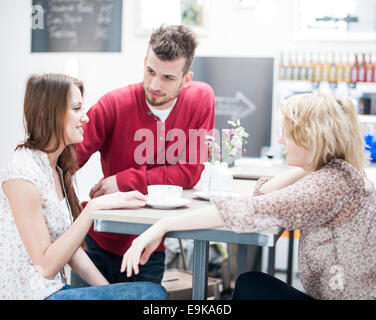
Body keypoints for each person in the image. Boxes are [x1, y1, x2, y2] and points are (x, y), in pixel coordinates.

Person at [120, 93, 376, 300]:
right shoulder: (338, 173)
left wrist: (161, 225)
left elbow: (244, 209)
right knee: (251, 282)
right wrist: (309, 163)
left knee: (250, 286)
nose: (280, 140)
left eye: (287, 133)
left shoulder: (326, 185)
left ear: (310, 138)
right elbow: (262, 193)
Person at [0, 73, 167, 300]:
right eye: (77, 109)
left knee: (151, 293)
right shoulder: (22, 173)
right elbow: (46, 267)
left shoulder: (56, 169)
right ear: (47, 113)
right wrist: (90, 210)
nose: (86, 118)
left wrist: (108, 291)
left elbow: (70, 251)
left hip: (53, 291)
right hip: (31, 296)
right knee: (153, 295)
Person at [72, 24, 215, 286]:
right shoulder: (113, 104)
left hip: (150, 245)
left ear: (186, 78)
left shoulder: (201, 99)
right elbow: (66, 162)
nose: (154, 84)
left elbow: (190, 172)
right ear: (145, 62)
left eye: (168, 78)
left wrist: (123, 181)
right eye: (150, 71)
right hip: (98, 240)